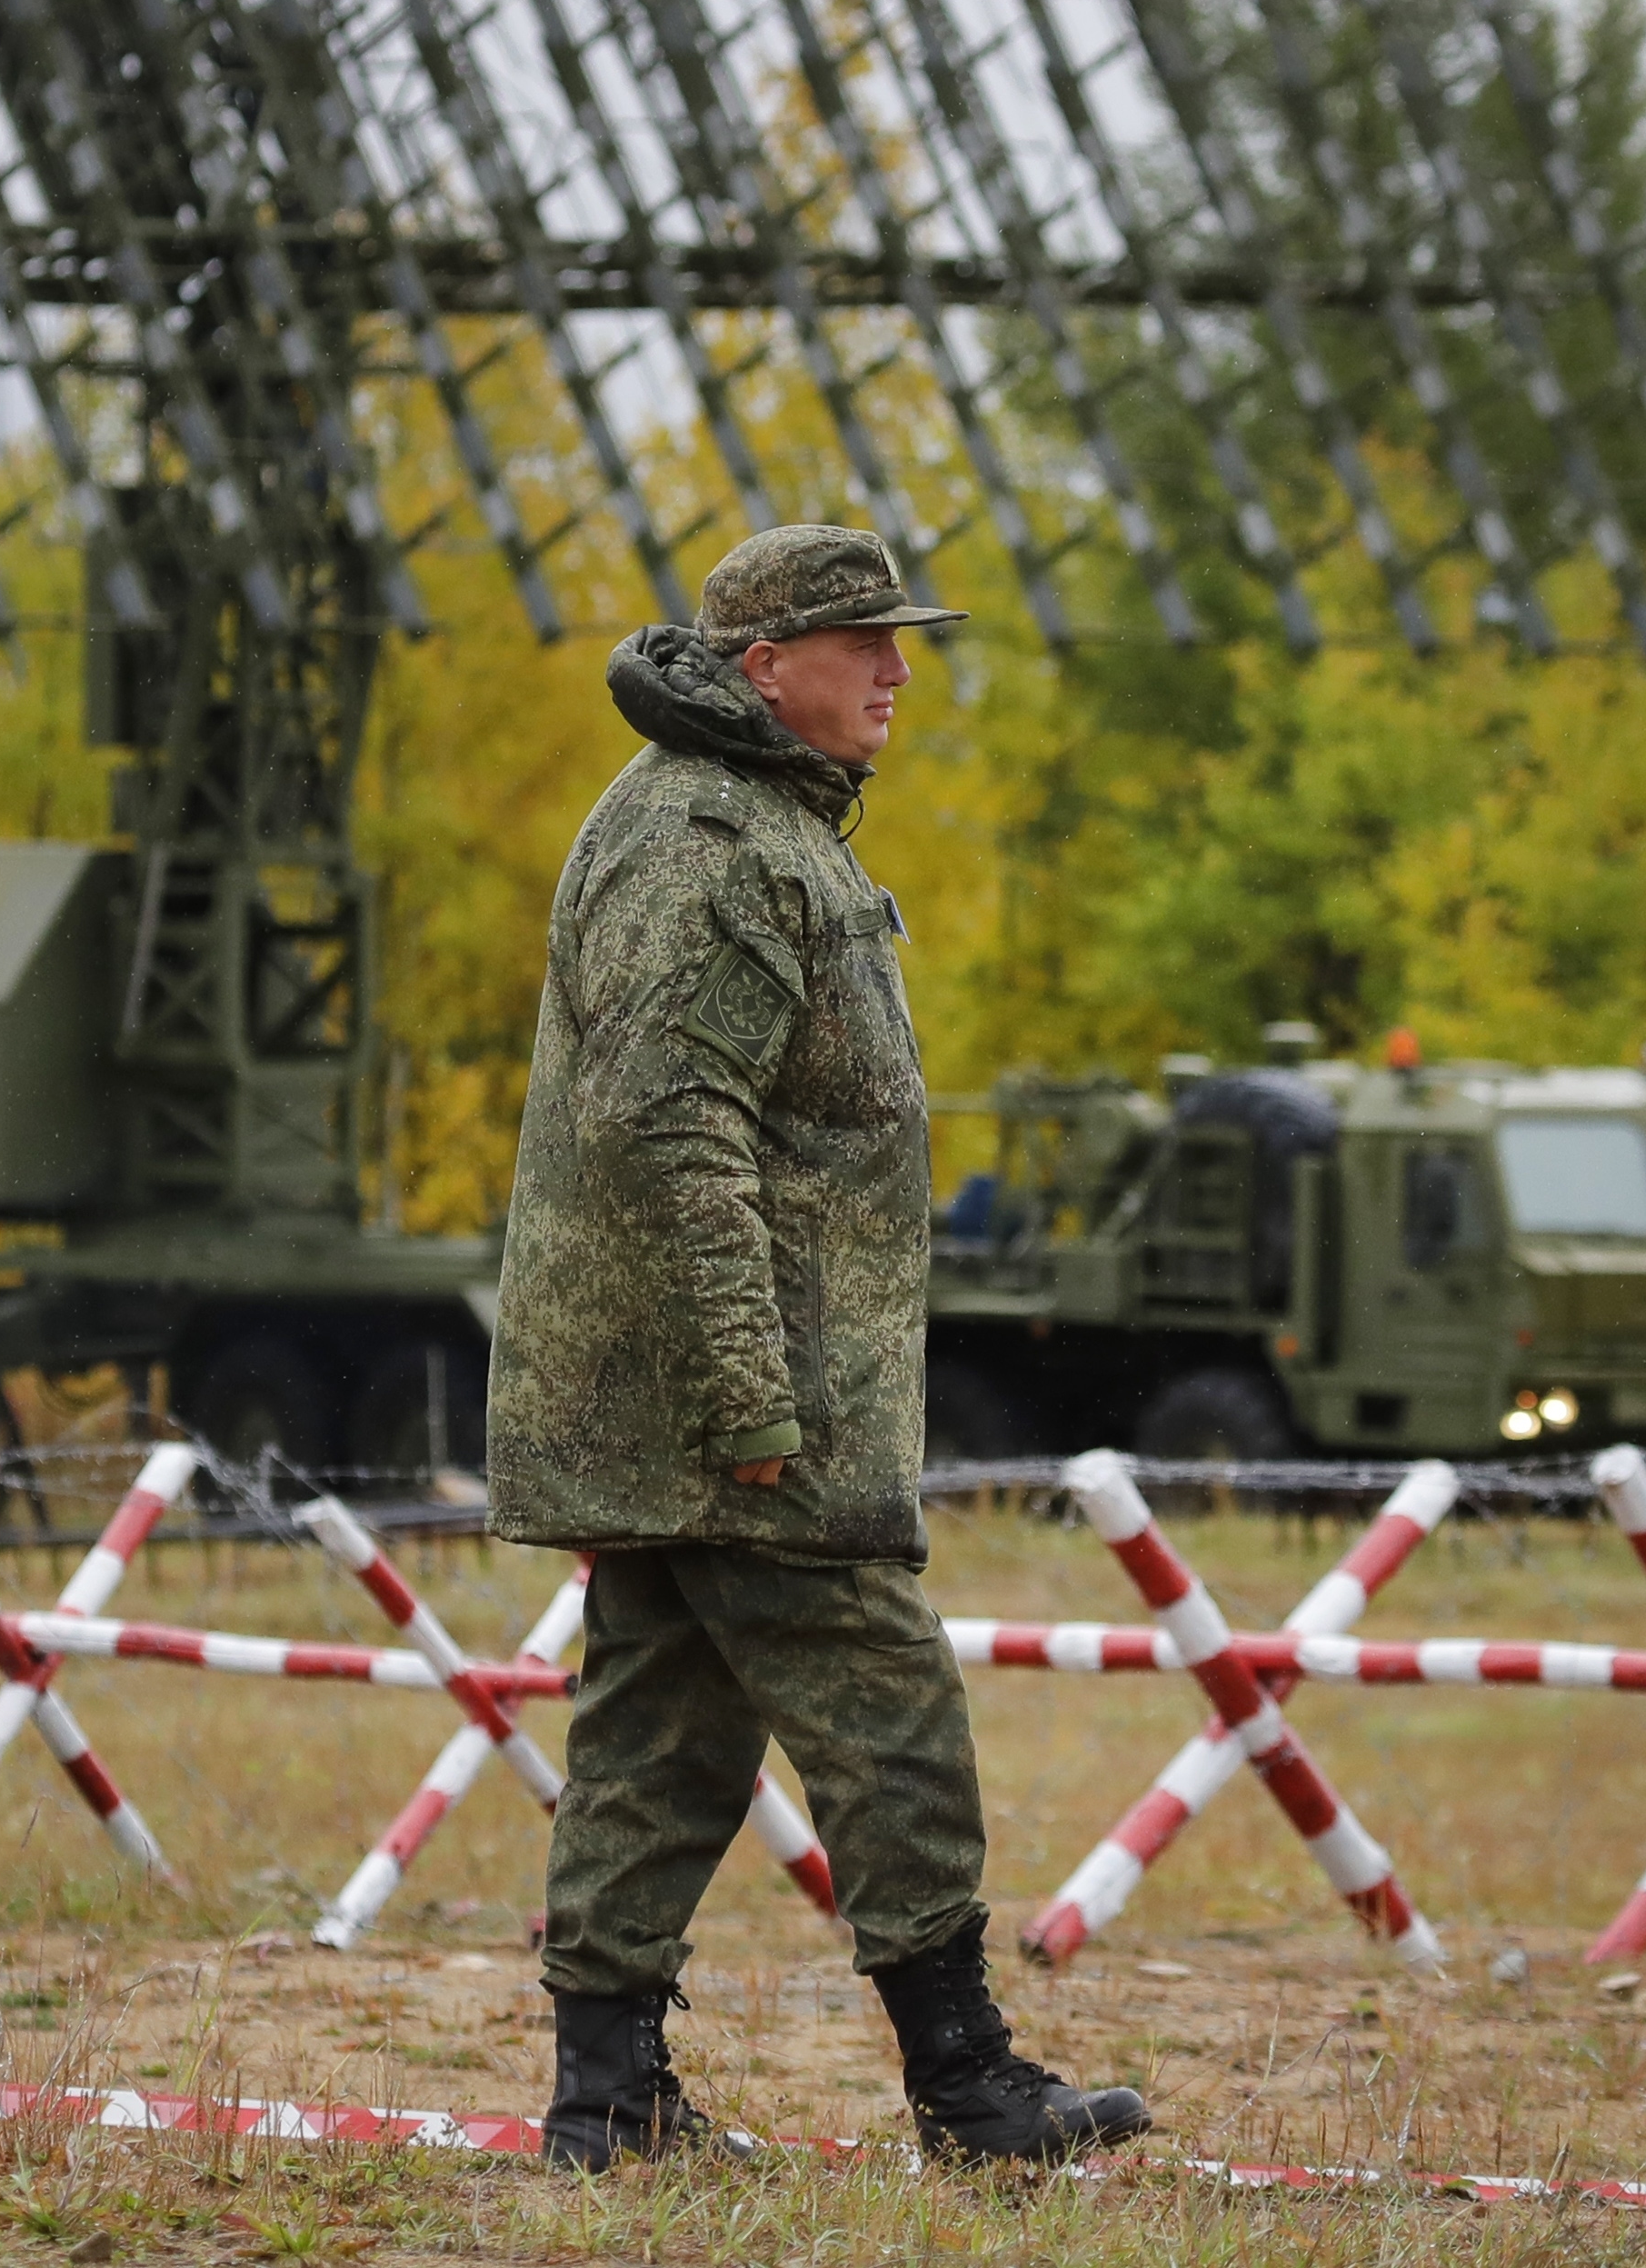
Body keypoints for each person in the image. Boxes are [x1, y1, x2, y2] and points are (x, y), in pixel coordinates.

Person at [486, 525, 1150, 2172]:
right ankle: (973, 2088)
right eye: (866, 642)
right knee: (890, 1708)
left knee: (663, 1727)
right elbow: (670, 1128)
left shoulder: (754, 823)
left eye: (899, 639)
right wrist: (748, 1398)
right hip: (739, 1404)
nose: (899, 671)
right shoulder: (713, 837)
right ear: (765, 666)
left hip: (711, 1401)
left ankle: (607, 2106)